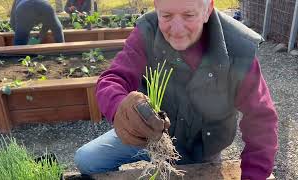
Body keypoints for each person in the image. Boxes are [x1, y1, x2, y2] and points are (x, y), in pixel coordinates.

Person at [74, 0, 279, 179]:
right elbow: (112, 79)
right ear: (156, 8)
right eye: (167, 15)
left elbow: (261, 119)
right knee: (87, 159)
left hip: (201, 148)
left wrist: (253, 175)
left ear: (208, 9)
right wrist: (121, 109)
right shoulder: (147, 31)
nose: (177, 28)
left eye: (189, 15)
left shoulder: (237, 48)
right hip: (149, 136)